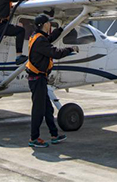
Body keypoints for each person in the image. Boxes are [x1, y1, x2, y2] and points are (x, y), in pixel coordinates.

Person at [25, 13, 78, 148]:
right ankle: (34, 138)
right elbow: (56, 53)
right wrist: (70, 49)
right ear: (44, 25)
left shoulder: (36, 36)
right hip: (38, 79)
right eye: (48, 23)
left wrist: (61, 29)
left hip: (39, 79)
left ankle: (54, 135)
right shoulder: (40, 40)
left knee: (48, 109)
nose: (50, 24)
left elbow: (49, 39)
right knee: (38, 110)